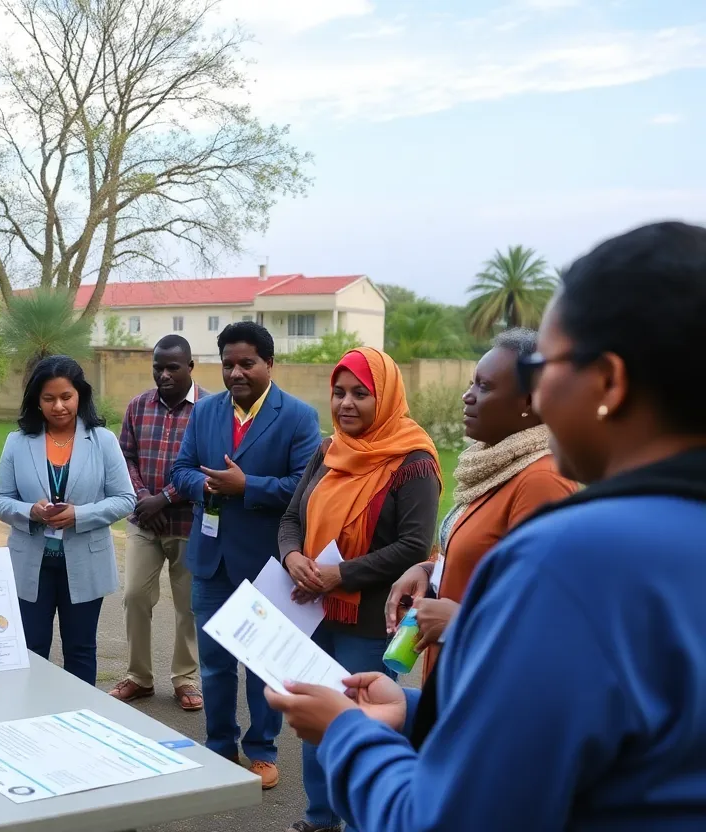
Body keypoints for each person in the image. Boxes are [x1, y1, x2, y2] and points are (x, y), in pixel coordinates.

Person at [263, 221, 706, 830]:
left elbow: (446, 818)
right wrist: (418, 713)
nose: (539, 398)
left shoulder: (575, 559)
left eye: (543, 368)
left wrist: (344, 735)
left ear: (608, 381)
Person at [275, 347, 441, 832]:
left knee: (358, 720)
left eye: (361, 394)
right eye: (339, 392)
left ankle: (361, 819)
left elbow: (414, 544)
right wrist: (293, 557)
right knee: (314, 717)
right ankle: (319, 819)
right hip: (312, 609)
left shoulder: (413, 461)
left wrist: (340, 576)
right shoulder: (328, 450)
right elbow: (291, 517)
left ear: (385, 397)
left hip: (366, 619)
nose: (346, 404)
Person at [172, 321, 322, 790]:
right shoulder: (205, 412)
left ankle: (261, 750)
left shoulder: (298, 416)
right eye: (228, 364)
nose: (236, 373)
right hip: (211, 559)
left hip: (266, 563)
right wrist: (206, 485)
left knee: (263, 667)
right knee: (215, 664)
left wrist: (246, 487)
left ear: (269, 364)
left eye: (247, 363)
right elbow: (180, 470)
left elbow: (305, 487)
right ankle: (219, 747)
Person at [385, 329, 577, 676]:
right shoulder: (495, 469)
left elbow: (546, 614)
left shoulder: (541, 481)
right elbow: (482, 559)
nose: (467, 396)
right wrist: (426, 571)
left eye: (483, 387)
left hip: (486, 683)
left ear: (530, 403)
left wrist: (459, 620)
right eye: (472, 383)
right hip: (453, 668)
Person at [0, 355, 136, 685]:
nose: (58, 406)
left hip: (85, 561)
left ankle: (80, 726)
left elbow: (126, 499)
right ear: (36, 401)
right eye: (48, 398)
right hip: (32, 564)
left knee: (81, 649)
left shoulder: (102, 441)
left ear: (80, 395)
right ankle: (30, 721)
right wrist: (31, 512)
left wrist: (79, 515)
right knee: (31, 649)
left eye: (66, 396)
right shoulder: (18, 442)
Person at [109, 335, 207, 712]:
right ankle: (139, 677)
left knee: (188, 605)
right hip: (143, 522)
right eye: (158, 367)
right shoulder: (138, 407)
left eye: (172, 367)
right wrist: (142, 497)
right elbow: (125, 458)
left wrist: (164, 498)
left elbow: (206, 465)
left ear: (190, 366)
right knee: (134, 594)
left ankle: (185, 679)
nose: (164, 374)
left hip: (189, 522)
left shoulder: (209, 408)